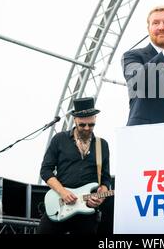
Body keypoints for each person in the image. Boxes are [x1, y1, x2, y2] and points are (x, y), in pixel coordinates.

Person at [37, 97, 111, 234]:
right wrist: (63, 192)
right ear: (74, 120)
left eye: (91, 124)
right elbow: (46, 170)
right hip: (60, 203)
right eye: (82, 125)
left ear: (95, 119)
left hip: (86, 212)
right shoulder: (59, 139)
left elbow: (106, 178)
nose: (87, 128)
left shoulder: (102, 145)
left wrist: (101, 196)